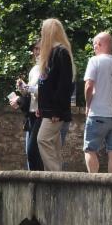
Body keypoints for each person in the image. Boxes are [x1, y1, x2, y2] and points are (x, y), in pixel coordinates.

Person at [35, 18, 75, 172]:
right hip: (49, 110)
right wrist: (42, 107)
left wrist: (57, 111)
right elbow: (46, 84)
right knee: (54, 145)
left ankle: (55, 176)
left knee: (43, 140)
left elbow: (64, 85)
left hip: (55, 110)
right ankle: (54, 177)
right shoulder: (52, 53)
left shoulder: (60, 53)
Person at [83, 31, 112, 173]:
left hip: (97, 113)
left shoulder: (94, 61)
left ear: (99, 44)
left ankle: (93, 180)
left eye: (94, 45)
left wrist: (88, 104)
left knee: (90, 149)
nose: (94, 48)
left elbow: (89, 86)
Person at [12, 40, 43, 170]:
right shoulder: (34, 69)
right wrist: (22, 88)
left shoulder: (47, 67)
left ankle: (39, 180)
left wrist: (28, 88)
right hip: (31, 113)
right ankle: (33, 182)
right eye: (35, 49)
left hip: (41, 112)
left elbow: (44, 91)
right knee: (30, 153)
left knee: (33, 150)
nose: (36, 52)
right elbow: (30, 93)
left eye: (39, 49)